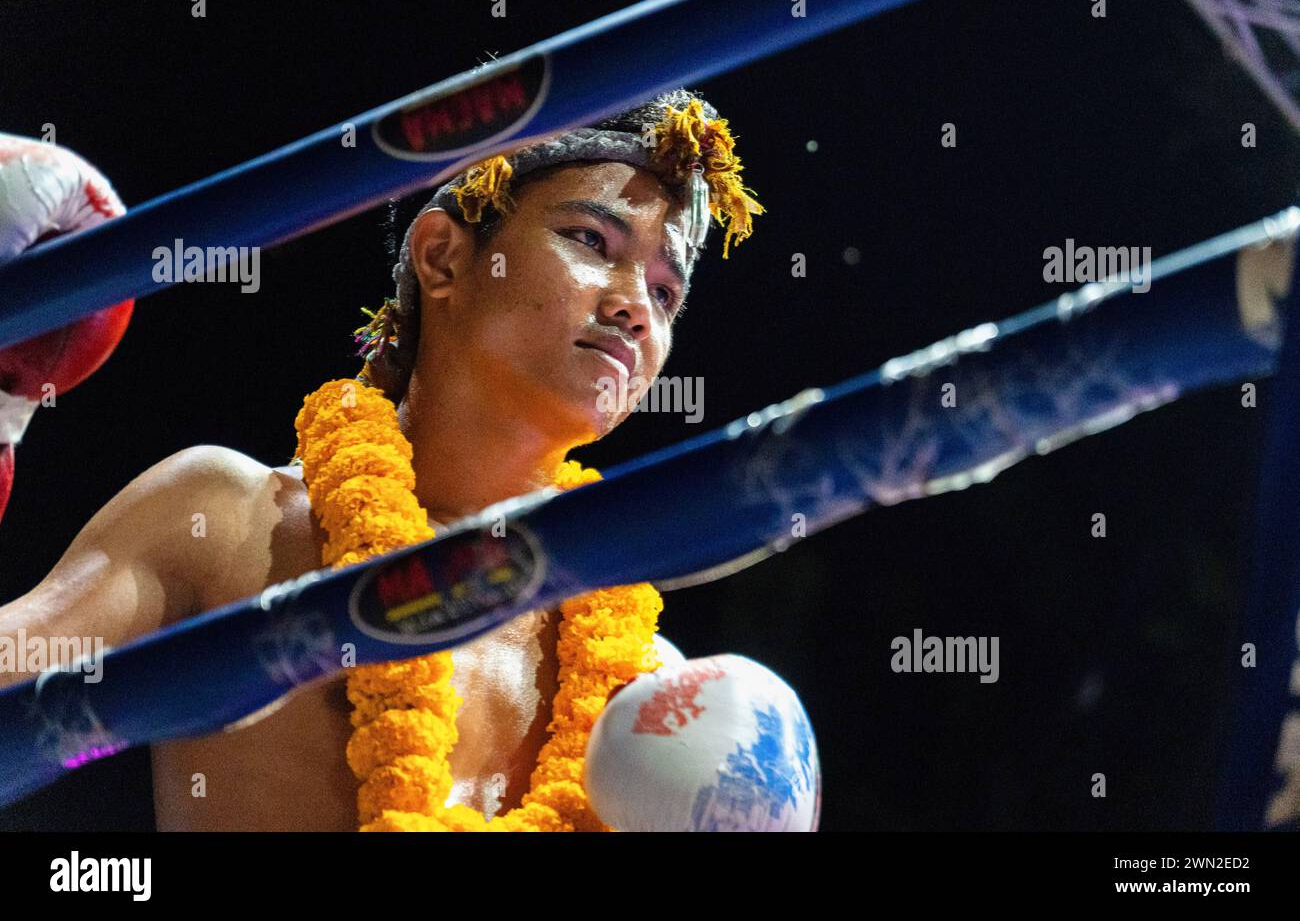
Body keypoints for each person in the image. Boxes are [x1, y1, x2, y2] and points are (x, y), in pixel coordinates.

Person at [0, 91, 817, 831]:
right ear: (443, 258)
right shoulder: (228, 521)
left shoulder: (648, 695)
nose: (636, 304)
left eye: (667, 293)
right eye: (592, 239)